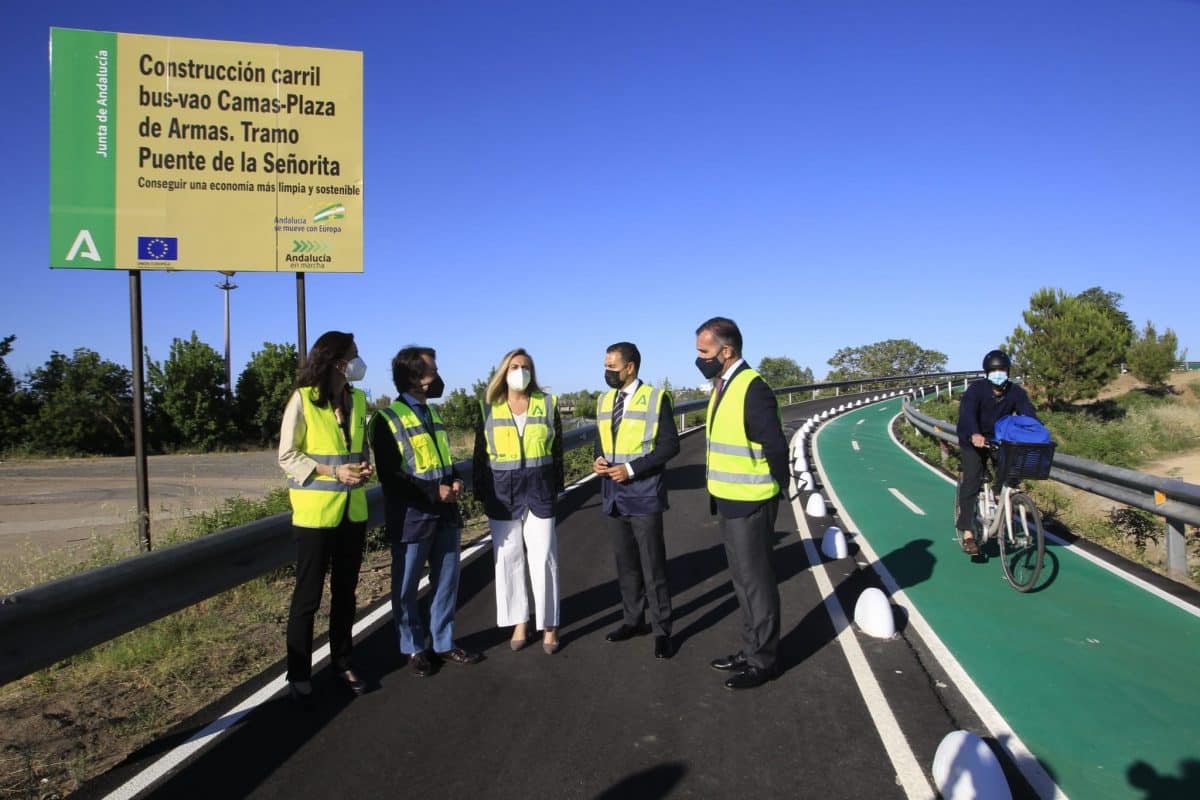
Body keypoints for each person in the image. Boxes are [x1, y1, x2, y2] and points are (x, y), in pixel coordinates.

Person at [370, 346, 482, 677]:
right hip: (412, 515)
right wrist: (434, 491)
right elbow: (391, 476)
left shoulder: (433, 414)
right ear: (414, 378)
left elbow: (442, 459)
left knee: (447, 581)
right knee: (406, 588)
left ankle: (443, 643)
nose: (437, 377)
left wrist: (455, 480)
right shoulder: (386, 419)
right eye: (432, 371)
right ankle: (414, 648)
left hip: (445, 513)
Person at [278, 331, 373, 704]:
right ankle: (298, 672)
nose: (359, 360)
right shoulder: (302, 400)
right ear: (336, 361)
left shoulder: (359, 399)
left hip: (354, 510)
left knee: (346, 594)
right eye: (354, 354)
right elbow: (287, 455)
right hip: (315, 516)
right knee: (308, 597)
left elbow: (358, 447)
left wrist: (365, 467)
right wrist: (334, 473)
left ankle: (343, 660)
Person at [695, 317, 790, 691]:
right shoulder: (724, 384)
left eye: (704, 351)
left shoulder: (752, 388)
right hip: (729, 500)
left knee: (758, 584)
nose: (699, 358)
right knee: (743, 582)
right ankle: (750, 649)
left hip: (751, 500)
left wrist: (777, 489)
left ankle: (763, 661)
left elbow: (776, 446)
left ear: (727, 351)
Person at [473, 349, 565, 654]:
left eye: (525, 366)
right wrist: (481, 493)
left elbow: (557, 450)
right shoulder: (489, 408)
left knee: (544, 557)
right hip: (502, 495)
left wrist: (558, 488)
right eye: (514, 366)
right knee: (508, 560)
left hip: (539, 491)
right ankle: (519, 622)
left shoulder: (547, 403)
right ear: (504, 371)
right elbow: (480, 456)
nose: (520, 371)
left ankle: (549, 626)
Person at [592, 342, 680, 659]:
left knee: (652, 567)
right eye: (605, 365)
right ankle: (633, 620)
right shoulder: (604, 401)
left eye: (612, 366)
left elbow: (670, 446)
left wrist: (630, 469)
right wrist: (598, 460)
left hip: (643, 495)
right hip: (613, 496)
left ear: (630, 367)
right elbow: (602, 442)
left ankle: (662, 630)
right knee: (626, 566)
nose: (607, 372)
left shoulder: (656, 399)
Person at [955, 349, 1039, 556]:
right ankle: (967, 532)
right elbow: (967, 413)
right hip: (972, 438)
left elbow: (1028, 414)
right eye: (994, 370)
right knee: (972, 479)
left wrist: (1037, 432)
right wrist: (974, 433)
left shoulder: (1015, 392)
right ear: (987, 373)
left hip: (999, 438)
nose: (998, 373)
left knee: (1010, 473)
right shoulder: (976, 390)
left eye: (1002, 369)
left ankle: (996, 494)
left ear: (1008, 371)